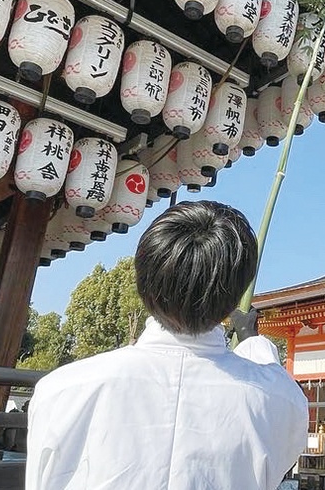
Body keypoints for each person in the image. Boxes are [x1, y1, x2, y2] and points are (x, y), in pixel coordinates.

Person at [25, 201, 308, 490]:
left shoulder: (62, 390)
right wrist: (252, 341)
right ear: (234, 301)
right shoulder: (281, 400)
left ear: (144, 280)